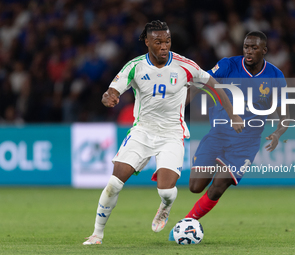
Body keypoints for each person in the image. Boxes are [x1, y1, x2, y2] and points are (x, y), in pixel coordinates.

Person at [83, 20, 243, 245]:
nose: (164, 46)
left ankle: (165, 206)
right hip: (142, 131)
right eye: (158, 42)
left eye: (167, 41)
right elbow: (111, 90)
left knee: (167, 193)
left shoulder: (185, 65)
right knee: (114, 183)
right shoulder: (135, 66)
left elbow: (214, 86)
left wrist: (233, 115)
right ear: (147, 42)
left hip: (172, 134)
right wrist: (108, 97)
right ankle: (97, 234)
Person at [169, 31, 290, 240]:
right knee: (196, 187)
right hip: (218, 135)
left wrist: (278, 132)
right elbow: (200, 82)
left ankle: (186, 223)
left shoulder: (275, 76)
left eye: (254, 48)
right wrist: (180, 107)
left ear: (264, 50)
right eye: (246, 47)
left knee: (218, 187)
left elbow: (285, 115)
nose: (249, 51)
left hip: (246, 143)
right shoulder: (228, 65)